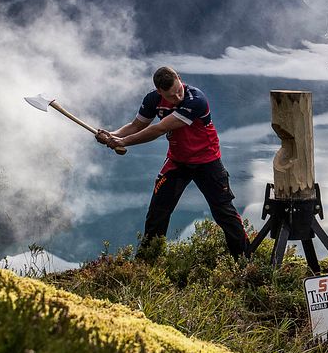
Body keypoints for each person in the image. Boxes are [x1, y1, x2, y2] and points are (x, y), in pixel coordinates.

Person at [95, 66, 248, 258]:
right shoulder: (152, 99)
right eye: (171, 96)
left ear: (180, 79)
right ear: (159, 92)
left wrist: (123, 141)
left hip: (207, 161)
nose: (177, 97)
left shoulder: (196, 100)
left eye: (179, 91)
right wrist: (112, 135)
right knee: (157, 213)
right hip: (177, 161)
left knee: (223, 212)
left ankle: (244, 261)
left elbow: (159, 129)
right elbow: (136, 126)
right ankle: (146, 264)